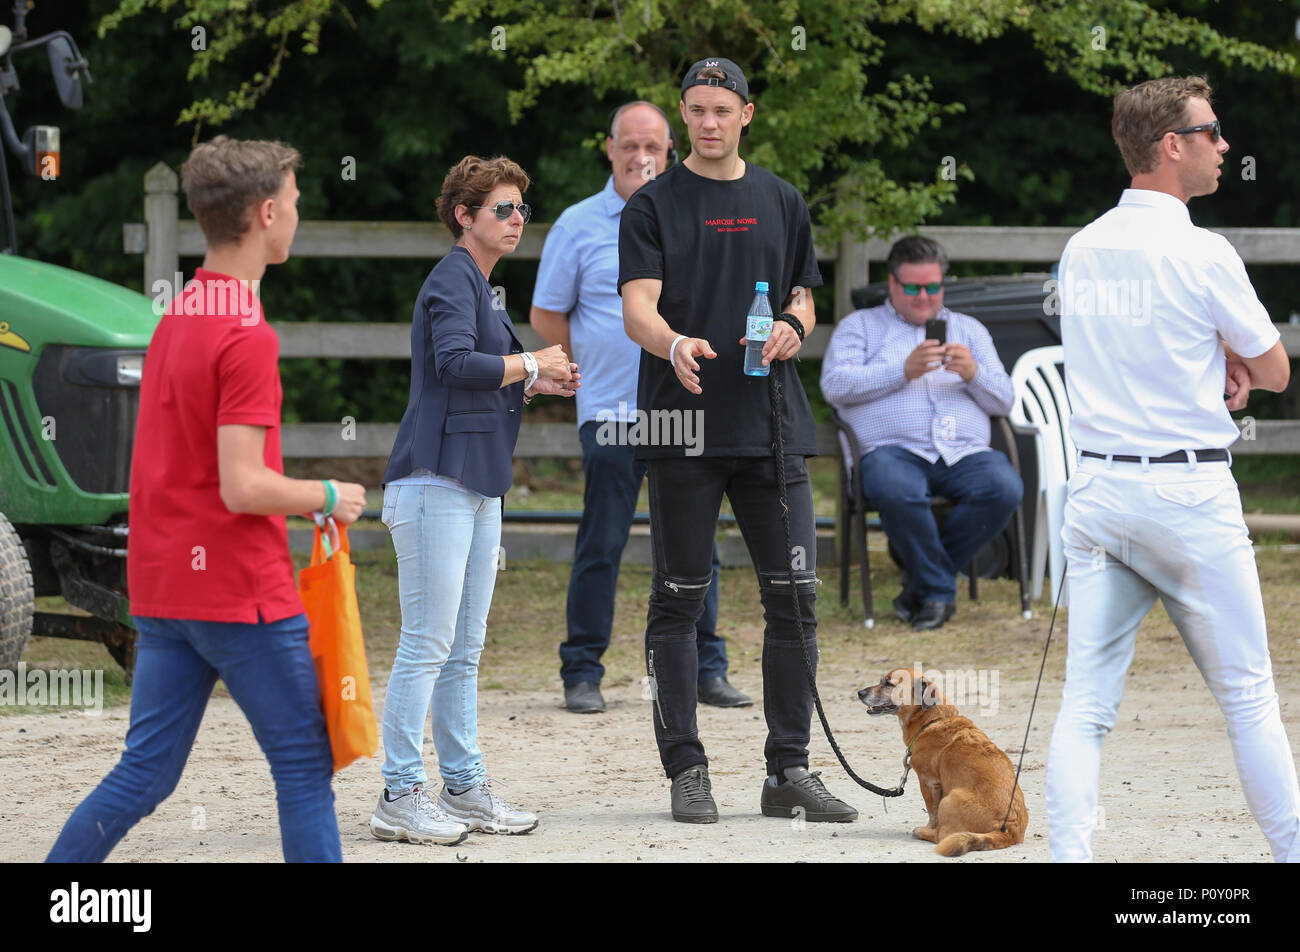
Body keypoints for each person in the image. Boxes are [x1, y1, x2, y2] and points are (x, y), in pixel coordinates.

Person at [46, 136, 367, 863]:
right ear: (263, 213)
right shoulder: (247, 333)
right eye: (292, 198)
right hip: (238, 591)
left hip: (163, 589)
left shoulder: (180, 313)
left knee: (146, 773)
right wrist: (325, 494)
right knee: (304, 768)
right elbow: (242, 484)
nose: (297, 210)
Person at [1045, 76, 1298, 862]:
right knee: (1249, 694)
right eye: (1212, 132)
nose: (1225, 146)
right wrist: (1230, 356)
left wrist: (1210, 354)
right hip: (1185, 492)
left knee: (1084, 708)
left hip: (1096, 488)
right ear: (1171, 146)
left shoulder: (1081, 247)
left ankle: (1068, 858)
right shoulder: (1203, 250)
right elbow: (1278, 369)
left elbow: (1131, 346)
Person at [619, 57, 857, 824]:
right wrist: (674, 342)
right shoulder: (653, 205)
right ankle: (686, 770)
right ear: (682, 114)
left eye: (722, 109)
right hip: (679, 422)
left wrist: (792, 326)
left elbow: (803, 296)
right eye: (696, 110)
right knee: (679, 599)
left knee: (795, 603)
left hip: (773, 429)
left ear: (747, 113)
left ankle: (788, 768)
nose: (708, 122)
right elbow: (637, 310)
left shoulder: (782, 199)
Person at [370, 155, 579, 846]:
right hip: (434, 481)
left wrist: (530, 382)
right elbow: (456, 366)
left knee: (463, 648)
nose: (518, 220)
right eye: (503, 209)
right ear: (466, 216)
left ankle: (461, 787)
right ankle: (400, 793)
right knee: (427, 644)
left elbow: (470, 377)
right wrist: (532, 363)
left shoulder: (482, 287)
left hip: (475, 482)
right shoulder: (452, 279)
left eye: (522, 209)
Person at [531, 100, 750, 714]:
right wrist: (578, 373)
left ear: (671, 149)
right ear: (609, 149)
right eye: (629, 145)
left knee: (695, 541)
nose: (641, 156)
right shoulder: (577, 224)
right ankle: (582, 671)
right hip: (613, 410)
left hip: (685, 405)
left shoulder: (697, 212)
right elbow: (547, 314)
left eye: (653, 145)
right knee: (602, 539)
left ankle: (708, 668)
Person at [820, 235, 1022, 631]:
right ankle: (936, 589)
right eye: (913, 287)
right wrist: (902, 371)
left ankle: (923, 583)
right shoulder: (859, 327)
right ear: (892, 284)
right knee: (896, 487)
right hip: (890, 451)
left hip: (961, 453)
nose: (924, 297)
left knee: (1004, 486)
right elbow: (835, 386)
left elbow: (1005, 402)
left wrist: (974, 375)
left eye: (933, 287)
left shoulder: (970, 330)